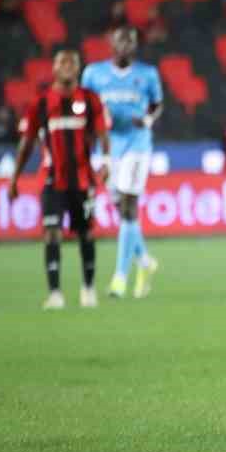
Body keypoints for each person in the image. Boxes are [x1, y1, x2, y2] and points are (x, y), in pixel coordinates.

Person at [8, 50, 110, 310]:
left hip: (83, 180)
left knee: (86, 233)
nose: (67, 66)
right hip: (52, 181)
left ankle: (88, 288)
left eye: (71, 62)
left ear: (78, 69)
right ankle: (55, 294)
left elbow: (102, 134)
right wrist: (14, 179)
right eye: (61, 62)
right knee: (52, 233)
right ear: (53, 69)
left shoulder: (90, 100)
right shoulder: (40, 103)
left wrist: (107, 163)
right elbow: (26, 144)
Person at [81, 27, 164, 300]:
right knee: (122, 209)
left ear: (136, 46)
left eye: (131, 42)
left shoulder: (147, 74)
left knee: (129, 206)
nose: (126, 46)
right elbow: (85, 106)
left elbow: (156, 104)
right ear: (112, 44)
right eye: (121, 42)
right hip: (108, 146)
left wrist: (149, 120)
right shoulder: (94, 74)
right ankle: (145, 263)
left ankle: (120, 277)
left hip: (137, 144)